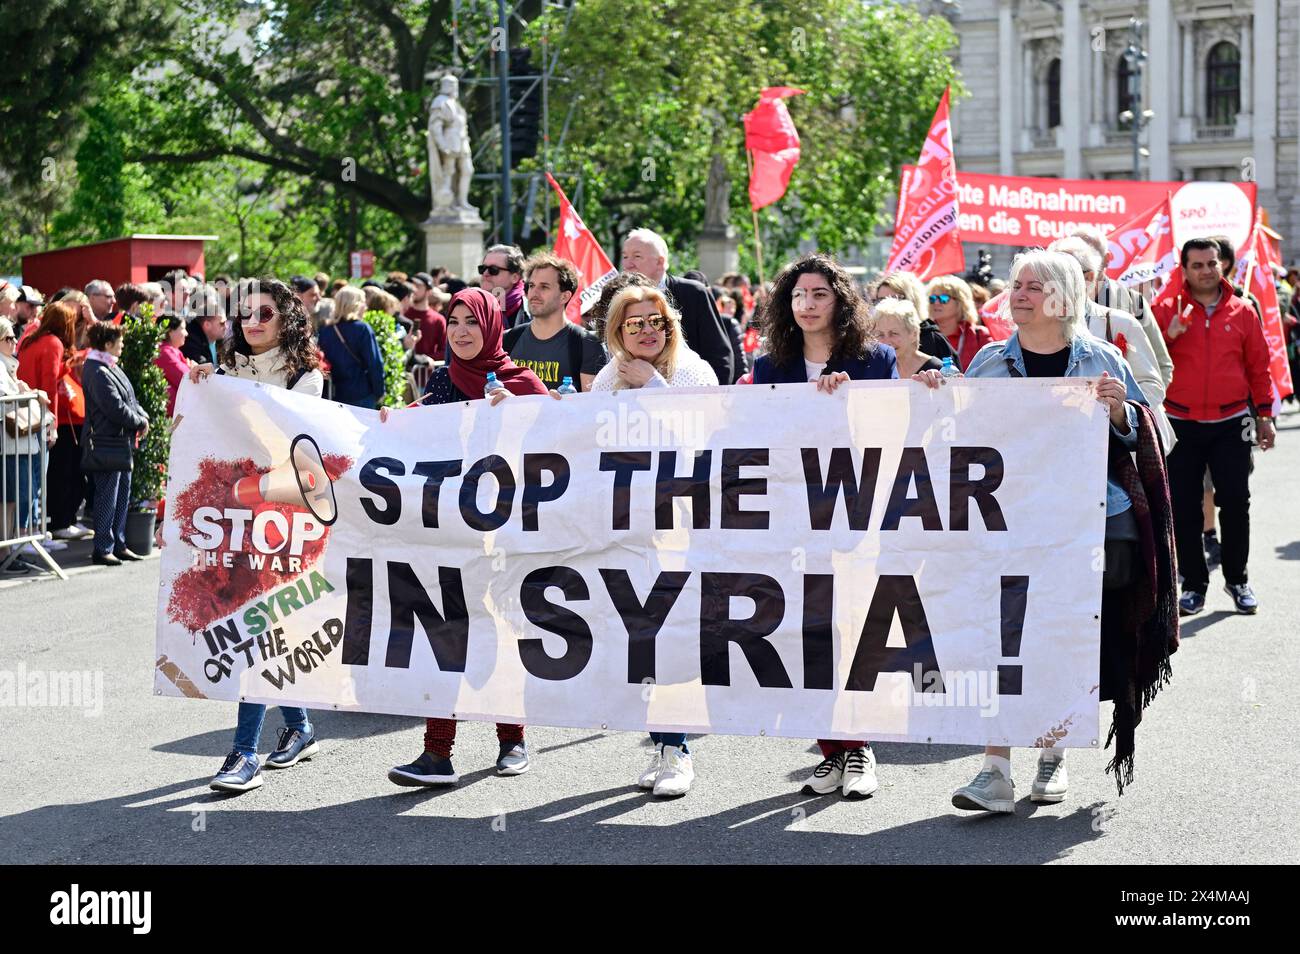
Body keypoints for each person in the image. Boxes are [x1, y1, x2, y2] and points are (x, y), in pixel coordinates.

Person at [916, 250, 1176, 810]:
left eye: (1033, 286)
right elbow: (954, 435)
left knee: (1059, 640)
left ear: (1063, 296)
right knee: (1000, 639)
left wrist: (1121, 415)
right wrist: (939, 392)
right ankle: (994, 770)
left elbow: (1158, 438)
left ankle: (1051, 757)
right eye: (1015, 285)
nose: (1019, 294)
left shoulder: (1102, 360)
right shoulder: (986, 362)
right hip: (1003, 527)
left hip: (1082, 528)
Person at [385, 288, 548, 788]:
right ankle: (437, 755)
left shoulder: (520, 382)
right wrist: (390, 421)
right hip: (451, 533)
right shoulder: (442, 379)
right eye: (453, 321)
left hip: (505, 535)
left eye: (470, 322)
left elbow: (559, 436)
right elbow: (424, 423)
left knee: (500, 635)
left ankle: (513, 740)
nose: (459, 331)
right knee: (448, 637)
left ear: (492, 326)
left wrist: (515, 411)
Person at [752, 253, 897, 800]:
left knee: (855, 629)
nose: (806, 305)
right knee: (813, 630)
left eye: (818, 294)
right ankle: (833, 748)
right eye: (797, 296)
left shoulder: (875, 359)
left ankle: (859, 748)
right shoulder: (769, 369)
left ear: (840, 301)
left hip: (856, 514)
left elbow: (891, 429)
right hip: (796, 519)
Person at [187, 278, 325, 792]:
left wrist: (229, 395)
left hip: (282, 519)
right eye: (246, 314)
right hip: (232, 515)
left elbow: (289, 444)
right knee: (266, 626)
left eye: (265, 313)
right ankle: (301, 727)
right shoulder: (223, 373)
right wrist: (204, 386)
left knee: (254, 626)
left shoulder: (306, 379)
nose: (253, 322)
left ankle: (244, 752)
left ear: (286, 319)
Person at [587, 283, 716, 796]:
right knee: (642, 638)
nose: (647, 331)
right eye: (634, 323)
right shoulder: (606, 377)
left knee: (676, 638)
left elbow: (705, 439)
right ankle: (662, 743)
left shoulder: (693, 370)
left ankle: (677, 749)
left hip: (683, 524)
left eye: (655, 321)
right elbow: (591, 441)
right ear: (617, 331)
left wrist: (653, 389)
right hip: (631, 527)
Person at [1151, 237, 1275, 616]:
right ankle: (1193, 584)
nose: (1206, 271)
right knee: (1185, 508)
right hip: (1181, 422)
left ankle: (1237, 579)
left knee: (1236, 502)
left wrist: (1265, 416)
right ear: (1184, 269)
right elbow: (1148, 365)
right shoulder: (1163, 310)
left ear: (1222, 265)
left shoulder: (1243, 311)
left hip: (1232, 421)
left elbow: (1258, 366)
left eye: (1212, 263)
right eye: (1197, 265)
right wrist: (1169, 334)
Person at [1050, 236, 1175, 451]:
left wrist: (1122, 415)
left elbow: (1153, 382)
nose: (1052, 282)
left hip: (1118, 449)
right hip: (1061, 445)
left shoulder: (1124, 317)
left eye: (1063, 273)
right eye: (1048, 273)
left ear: (1089, 277)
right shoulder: (1035, 324)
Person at [17, 301, 92, 543]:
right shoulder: (54, 343)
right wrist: (53, 425)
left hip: (26, 415)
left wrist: (67, 365)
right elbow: (48, 385)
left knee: (34, 481)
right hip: (39, 418)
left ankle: (32, 535)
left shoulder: (32, 338)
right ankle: (33, 536)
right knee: (37, 481)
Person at [621, 227, 734, 384]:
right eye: (625, 257)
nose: (627, 264)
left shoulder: (693, 293)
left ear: (660, 262)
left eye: (637, 256)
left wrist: (712, 398)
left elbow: (719, 355)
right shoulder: (619, 298)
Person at [1068, 224, 1174, 389]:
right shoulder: (1048, 303)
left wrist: (1134, 409)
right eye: (1074, 251)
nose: (1083, 256)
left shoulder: (1133, 303)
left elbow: (1161, 367)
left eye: (1090, 251)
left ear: (1107, 259)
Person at [80, 322, 148, 566]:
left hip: (120, 442)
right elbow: (114, 408)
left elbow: (130, 398)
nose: (122, 345)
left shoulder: (109, 366)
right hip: (105, 442)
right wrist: (140, 422)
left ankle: (118, 544)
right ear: (107, 344)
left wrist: (141, 417)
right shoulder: (96, 370)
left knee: (122, 495)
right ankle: (103, 547)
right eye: (119, 341)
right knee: (107, 497)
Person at [504, 253, 607, 391]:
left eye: (544, 287)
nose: (534, 293)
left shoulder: (587, 344)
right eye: (531, 285)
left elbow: (592, 405)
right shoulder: (508, 339)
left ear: (564, 297)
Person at [1, 317, 56, 572]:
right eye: (8, 338)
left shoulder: (9, 365)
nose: (14, 342)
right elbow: (5, 399)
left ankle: (10, 550)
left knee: (15, 499)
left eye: (14, 337)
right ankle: (5, 552)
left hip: (19, 443)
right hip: (10, 444)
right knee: (10, 499)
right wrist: (34, 394)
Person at [319, 286, 386, 409]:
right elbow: (375, 363)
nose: (365, 307)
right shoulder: (363, 329)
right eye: (363, 302)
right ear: (355, 304)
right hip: (361, 393)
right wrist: (379, 391)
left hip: (334, 394)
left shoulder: (325, 331)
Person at [870, 272, 957, 365]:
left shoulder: (933, 340)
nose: (888, 305)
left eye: (895, 298)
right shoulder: (871, 338)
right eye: (881, 300)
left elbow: (953, 376)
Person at [926, 274, 991, 371]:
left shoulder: (980, 335)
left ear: (960, 302)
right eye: (933, 298)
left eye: (944, 298)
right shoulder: (922, 336)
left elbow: (992, 371)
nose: (936, 303)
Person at [870, 297, 940, 377]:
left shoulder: (937, 370)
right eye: (880, 334)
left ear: (913, 334)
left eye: (894, 333)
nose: (887, 342)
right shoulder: (873, 369)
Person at [478, 244, 528, 327]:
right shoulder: (470, 306)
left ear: (515, 277)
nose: (485, 273)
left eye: (494, 270)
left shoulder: (532, 310)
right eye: (482, 268)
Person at [153, 317, 191, 418]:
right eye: (182, 328)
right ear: (170, 332)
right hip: (169, 419)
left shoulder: (172, 351)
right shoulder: (164, 353)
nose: (186, 333)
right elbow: (188, 379)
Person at [406, 272, 447, 362]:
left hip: (426, 373)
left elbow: (445, 351)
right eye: (412, 285)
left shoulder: (438, 319)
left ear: (429, 291)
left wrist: (423, 360)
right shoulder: (403, 314)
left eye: (418, 286)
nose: (414, 289)